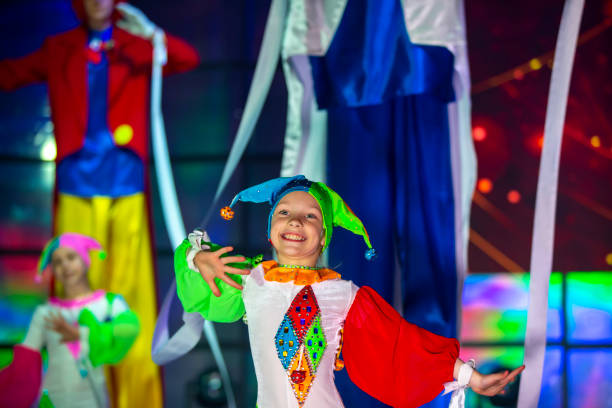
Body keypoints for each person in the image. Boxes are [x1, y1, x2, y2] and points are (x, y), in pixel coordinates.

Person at [174, 175, 524, 407]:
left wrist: (470, 376)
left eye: (310, 216)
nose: (296, 221)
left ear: (324, 236)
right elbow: (199, 296)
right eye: (284, 212)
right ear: (270, 231)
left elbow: (402, 343)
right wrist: (196, 256)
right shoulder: (250, 281)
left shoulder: (345, 294)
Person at [0, 1, 200, 405]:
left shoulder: (135, 44)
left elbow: (186, 58)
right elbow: (10, 74)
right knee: (74, 292)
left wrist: (151, 32)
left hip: (125, 185)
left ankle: (134, 400)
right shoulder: (59, 47)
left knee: (130, 299)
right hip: (77, 185)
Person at [0, 233, 139, 408]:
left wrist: (80, 333)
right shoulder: (46, 313)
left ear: (85, 260)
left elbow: (129, 330)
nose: (65, 265)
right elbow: (23, 364)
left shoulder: (109, 304)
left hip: (94, 398)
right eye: (57, 262)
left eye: (71, 257)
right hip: (52, 399)